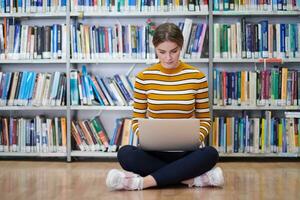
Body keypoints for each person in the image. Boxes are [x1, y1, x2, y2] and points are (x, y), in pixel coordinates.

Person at [106, 22, 224, 191]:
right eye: (162, 52)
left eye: (174, 51)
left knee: (210, 154)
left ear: (181, 47)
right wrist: (146, 138)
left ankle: (142, 182)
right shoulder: (143, 78)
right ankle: (191, 179)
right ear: (155, 49)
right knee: (125, 154)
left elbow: (205, 119)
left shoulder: (197, 77)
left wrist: (196, 138)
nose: (168, 58)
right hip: (154, 152)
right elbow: (137, 119)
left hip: (186, 152)